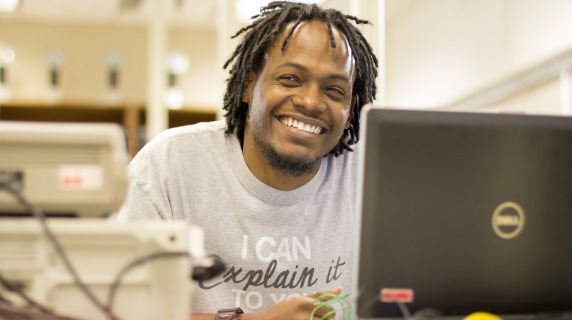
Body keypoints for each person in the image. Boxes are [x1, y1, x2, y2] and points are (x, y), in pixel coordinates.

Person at [115, 1, 378, 319]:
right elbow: (118, 307)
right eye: (291, 79)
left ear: (351, 110)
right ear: (247, 86)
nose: (311, 101)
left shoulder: (371, 178)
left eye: (334, 90)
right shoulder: (168, 166)